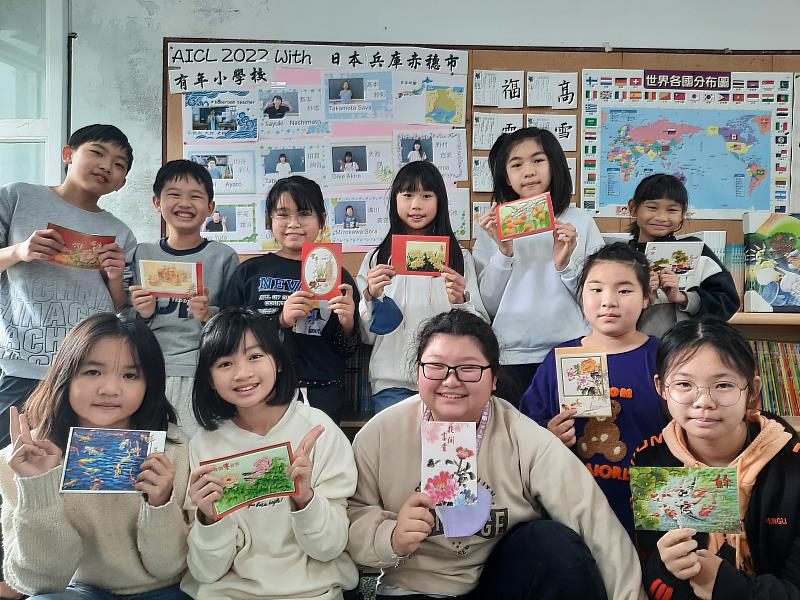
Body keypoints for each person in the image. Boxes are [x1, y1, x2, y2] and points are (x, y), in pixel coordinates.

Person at [347, 309, 644, 599]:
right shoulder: (381, 434)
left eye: (469, 368)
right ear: (418, 372)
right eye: (436, 366)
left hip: (495, 582)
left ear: (494, 379)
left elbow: (591, 517)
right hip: (412, 587)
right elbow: (353, 515)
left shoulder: (524, 437)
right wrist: (392, 536)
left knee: (552, 540)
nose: (451, 380)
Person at [0, 313, 190, 599]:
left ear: (149, 384)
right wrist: (38, 488)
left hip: (167, 590)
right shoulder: (23, 458)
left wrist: (160, 503)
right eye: (92, 372)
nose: (110, 389)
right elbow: (39, 583)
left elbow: (168, 567)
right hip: (82, 591)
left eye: (130, 375)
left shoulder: (172, 449)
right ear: (65, 375)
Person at [182, 308, 358, 599]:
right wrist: (210, 520)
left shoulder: (319, 431)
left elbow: (329, 549)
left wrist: (305, 500)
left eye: (255, 356)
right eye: (225, 363)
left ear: (277, 361)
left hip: (313, 593)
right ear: (209, 379)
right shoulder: (204, 445)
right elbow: (205, 572)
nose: (243, 373)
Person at [632, 318, 800, 599]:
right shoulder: (652, 460)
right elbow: (651, 571)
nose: (703, 402)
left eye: (722, 385)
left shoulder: (792, 465)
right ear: (661, 387)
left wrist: (724, 585)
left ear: (752, 390)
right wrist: (666, 567)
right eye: (684, 384)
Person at [0, 124, 137, 447]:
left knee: (78, 461)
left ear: (122, 182)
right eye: (97, 153)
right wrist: (20, 251)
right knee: (9, 458)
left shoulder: (120, 232)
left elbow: (122, 309)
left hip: (89, 370)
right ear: (68, 154)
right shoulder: (17, 197)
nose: (106, 166)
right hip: (25, 363)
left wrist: (115, 276)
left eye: (118, 164)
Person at [520, 243, 668, 535]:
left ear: (646, 297)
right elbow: (525, 431)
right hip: (573, 507)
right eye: (596, 289)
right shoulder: (560, 359)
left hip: (649, 507)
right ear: (582, 295)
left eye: (624, 290)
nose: (608, 301)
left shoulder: (664, 358)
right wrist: (548, 436)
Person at [473, 127, 605, 406]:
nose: (529, 171)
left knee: (585, 426)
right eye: (516, 165)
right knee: (516, 429)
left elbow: (598, 300)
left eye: (538, 160)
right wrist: (504, 254)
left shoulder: (579, 221)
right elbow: (487, 305)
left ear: (554, 165)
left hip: (576, 347)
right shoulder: (493, 227)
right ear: (506, 177)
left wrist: (565, 266)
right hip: (511, 354)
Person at [224, 176, 359, 423]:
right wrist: (280, 321)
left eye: (304, 213)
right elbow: (228, 337)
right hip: (261, 391)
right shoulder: (249, 272)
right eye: (283, 214)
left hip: (323, 392)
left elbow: (348, 349)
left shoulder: (338, 275)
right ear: (270, 219)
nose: (294, 224)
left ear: (321, 220)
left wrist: (348, 323)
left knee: (319, 449)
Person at [357, 161, 488, 413]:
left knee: (450, 440)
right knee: (398, 440)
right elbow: (366, 336)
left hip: (449, 381)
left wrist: (461, 302)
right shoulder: (377, 259)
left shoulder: (459, 258)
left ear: (440, 202)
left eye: (427, 196)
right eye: (407, 195)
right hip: (392, 383)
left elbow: (480, 331)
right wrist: (370, 297)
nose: (416, 205)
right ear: (395, 201)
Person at [128, 160, 239, 436]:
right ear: (157, 202)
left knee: (198, 446)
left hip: (200, 371)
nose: (185, 203)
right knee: (149, 444)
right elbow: (122, 317)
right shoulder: (141, 253)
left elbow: (236, 323)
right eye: (174, 194)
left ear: (211, 207)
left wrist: (209, 315)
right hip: (147, 367)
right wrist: (140, 313)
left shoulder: (223, 257)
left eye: (196, 196)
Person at [627, 174, 739, 337]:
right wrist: (640, 294)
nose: (661, 217)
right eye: (652, 207)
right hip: (635, 347)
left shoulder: (697, 252)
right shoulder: (621, 258)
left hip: (688, 347)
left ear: (682, 214)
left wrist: (682, 297)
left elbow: (727, 302)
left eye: (672, 210)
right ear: (633, 208)